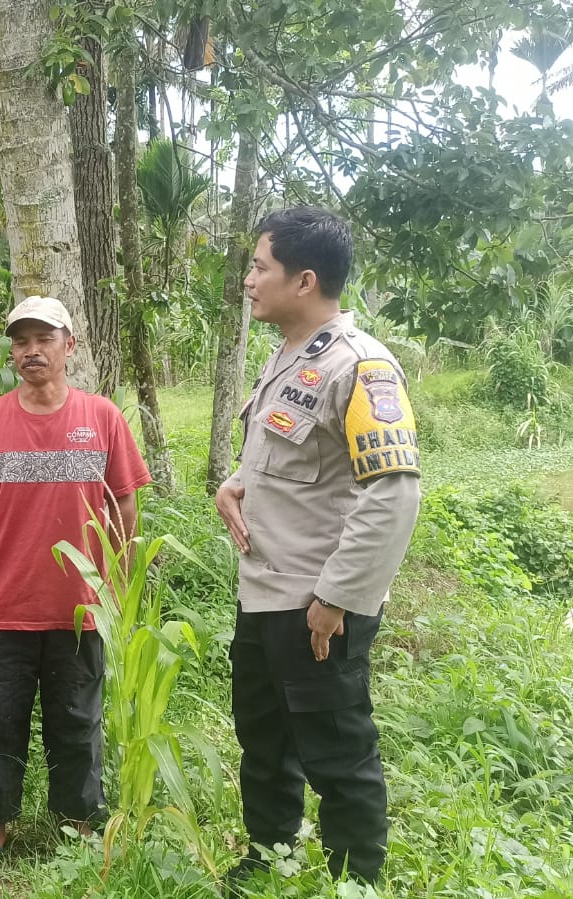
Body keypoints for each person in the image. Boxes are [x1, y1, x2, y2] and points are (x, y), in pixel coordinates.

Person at [215, 207, 422, 889]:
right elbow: (285, 455)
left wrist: (336, 599)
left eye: (259, 266)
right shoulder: (289, 358)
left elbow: (391, 496)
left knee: (337, 750)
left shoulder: (362, 368)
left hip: (316, 605)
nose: (249, 280)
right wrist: (235, 485)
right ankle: (266, 856)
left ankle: (355, 878)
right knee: (265, 741)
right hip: (264, 593)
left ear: (304, 281)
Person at [0, 295, 152, 872]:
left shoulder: (102, 417)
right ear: (12, 351)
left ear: (69, 347)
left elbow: (125, 506)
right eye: (21, 341)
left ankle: (82, 826)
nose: (31, 351)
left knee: (79, 723)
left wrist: (119, 583)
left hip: (81, 608)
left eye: (44, 339)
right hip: (4, 605)